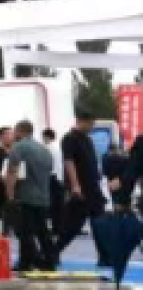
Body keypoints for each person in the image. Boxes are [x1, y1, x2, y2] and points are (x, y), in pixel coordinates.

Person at [3, 120, 58, 273]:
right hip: (43, 195)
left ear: (20, 131)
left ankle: (28, 262)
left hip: (26, 196)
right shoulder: (44, 150)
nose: (14, 134)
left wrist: (10, 194)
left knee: (24, 232)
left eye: (15, 131)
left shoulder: (19, 147)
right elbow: (49, 172)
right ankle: (48, 261)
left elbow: (12, 171)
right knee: (42, 231)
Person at [54, 111, 107, 260]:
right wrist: (75, 185)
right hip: (80, 189)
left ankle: (104, 256)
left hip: (94, 188)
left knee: (100, 223)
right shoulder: (69, 138)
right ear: (80, 121)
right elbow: (69, 162)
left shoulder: (87, 139)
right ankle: (53, 252)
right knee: (72, 226)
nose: (92, 127)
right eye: (90, 124)